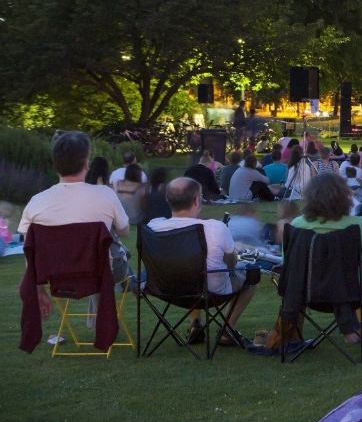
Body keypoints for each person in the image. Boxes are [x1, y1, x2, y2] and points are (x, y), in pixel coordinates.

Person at [19, 132, 132, 343]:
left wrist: (38, 290)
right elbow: (124, 231)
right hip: (99, 274)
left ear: (56, 164)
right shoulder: (105, 195)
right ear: (86, 162)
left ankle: (98, 319)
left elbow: (29, 252)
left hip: (56, 277)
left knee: (101, 257)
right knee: (113, 254)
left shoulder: (36, 202)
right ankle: (129, 291)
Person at [147, 178, 259, 343]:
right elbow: (232, 263)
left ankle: (195, 324)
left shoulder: (153, 227)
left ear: (168, 200)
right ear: (196, 200)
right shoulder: (215, 228)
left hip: (166, 289)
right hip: (212, 292)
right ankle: (227, 330)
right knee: (251, 273)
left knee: (188, 270)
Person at [289, 172, 362, 344]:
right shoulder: (360, 225)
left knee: (337, 275)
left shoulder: (297, 225)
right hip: (354, 292)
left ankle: (349, 327)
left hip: (307, 292)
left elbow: (288, 264)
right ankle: (350, 328)